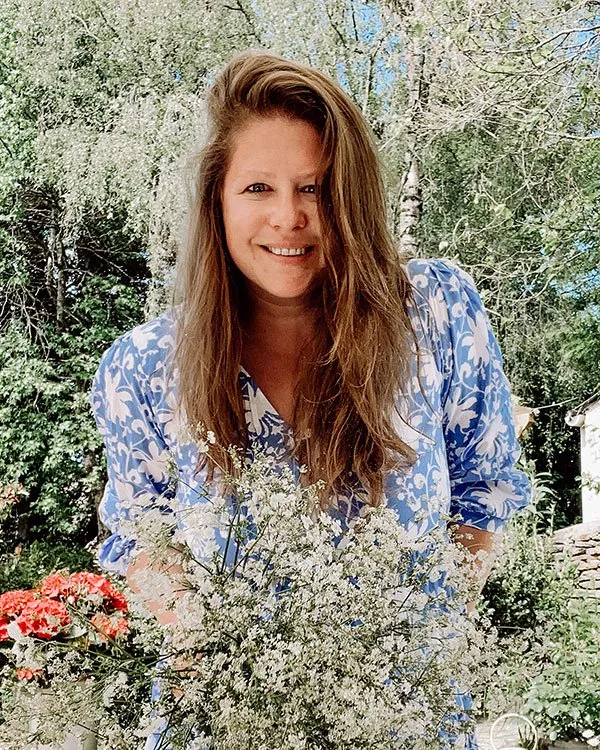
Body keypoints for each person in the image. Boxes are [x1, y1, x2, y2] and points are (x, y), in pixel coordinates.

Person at [90, 50, 531, 748]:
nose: (288, 216)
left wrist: (415, 649)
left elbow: (484, 494)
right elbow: (142, 539)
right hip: (226, 722)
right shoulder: (144, 368)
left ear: (350, 199)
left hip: (406, 721)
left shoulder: (436, 314)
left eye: (316, 188)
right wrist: (225, 664)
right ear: (217, 202)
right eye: (258, 188)